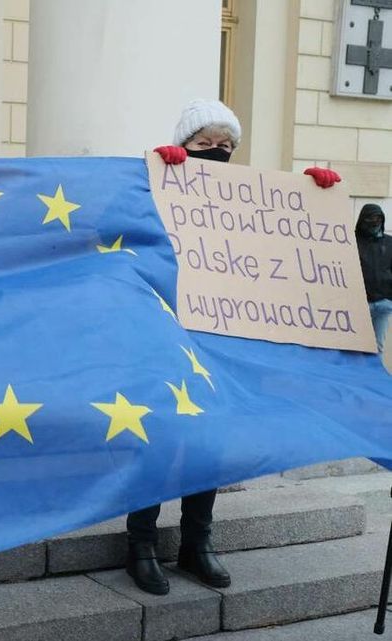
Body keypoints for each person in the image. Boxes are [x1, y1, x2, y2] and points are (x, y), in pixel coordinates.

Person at [140, 99, 340, 596]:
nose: (217, 154)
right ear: (182, 146)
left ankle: (196, 542)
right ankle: (140, 545)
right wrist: (151, 176)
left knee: (209, 442)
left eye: (225, 147)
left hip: (218, 343)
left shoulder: (239, 203)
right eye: (204, 145)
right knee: (159, 440)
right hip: (163, 338)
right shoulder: (156, 187)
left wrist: (317, 200)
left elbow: (279, 250)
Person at [356, 204, 392, 351]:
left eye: (378, 218)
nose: (374, 221)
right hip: (359, 304)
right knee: (355, 347)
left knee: (377, 347)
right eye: (370, 218)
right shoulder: (352, 241)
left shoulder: (389, 243)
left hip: (383, 303)